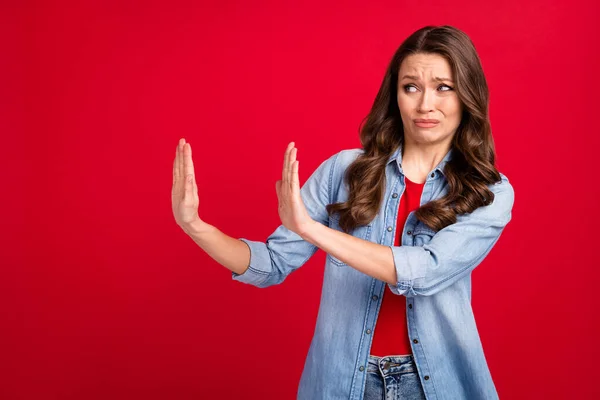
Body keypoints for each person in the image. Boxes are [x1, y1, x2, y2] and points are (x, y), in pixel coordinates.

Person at [172, 25, 514, 400]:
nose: (425, 104)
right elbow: (270, 263)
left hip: (435, 384)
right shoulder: (343, 171)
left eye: (443, 87)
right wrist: (195, 226)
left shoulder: (489, 192)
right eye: (411, 87)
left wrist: (311, 229)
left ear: (467, 94)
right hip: (343, 381)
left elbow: (426, 270)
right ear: (395, 95)